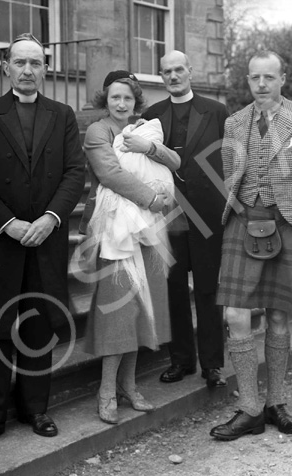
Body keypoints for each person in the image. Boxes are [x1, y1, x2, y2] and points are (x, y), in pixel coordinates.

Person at [0, 33, 86, 451]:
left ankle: (35, 407)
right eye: (20, 63)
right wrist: (8, 223)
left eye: (35, 63)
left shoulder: (62, 114)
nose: (28, 70)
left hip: (45, 236)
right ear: (6, 67)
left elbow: (74, 174)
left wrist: (50, 218)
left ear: (45, 68)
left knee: (38, 321)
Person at [209, 50, 292, 441]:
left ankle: (276, 401)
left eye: (269, 77)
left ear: (283, 78)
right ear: (247, 80)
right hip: (243, 223)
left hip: (288, 225)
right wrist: (246, 208)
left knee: (279, 316)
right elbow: (230, 175)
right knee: (236, 314)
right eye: (254, 78)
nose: (261, 84)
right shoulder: (234, 123)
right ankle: (249, 407)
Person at [77, 70, 180, 424]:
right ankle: (106, 390)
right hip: (115, 229)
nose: (122, 104)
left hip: (149, 230)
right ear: (105, 99)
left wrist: (150, 148)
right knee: (117, 309)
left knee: (141, 305)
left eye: (128, 98)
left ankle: (129, 386)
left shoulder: (145, 129)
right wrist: (153, 197)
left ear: (137, 101)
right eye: (115, 97)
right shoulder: (97, 131)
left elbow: (175, 161)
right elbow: (109, 174)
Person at [141, 50, 229, 388]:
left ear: (190, 71)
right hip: (168, 215)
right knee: (173, 289)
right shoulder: (152, 114)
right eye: (167, 72)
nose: (174, 76)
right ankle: (181, 361)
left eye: (179, 70)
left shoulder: (217, 111)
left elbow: (231, 160)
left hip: (208, 214)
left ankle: (212, 365)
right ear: (161, 76)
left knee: (208, 290)